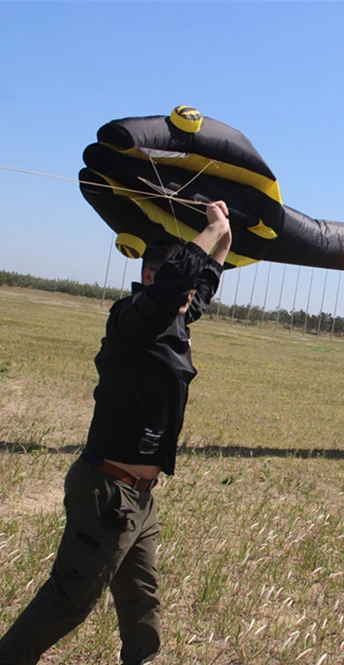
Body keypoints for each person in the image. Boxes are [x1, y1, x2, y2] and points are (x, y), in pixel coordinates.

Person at [0, 201, 233, 665]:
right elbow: (175, 287)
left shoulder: (176, 317)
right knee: (71, 599)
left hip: (139, 499)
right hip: (107, 493)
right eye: (176, 283)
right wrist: (204, 236)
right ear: (149, 278)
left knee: (141, 596)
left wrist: (223, 236)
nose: (189, 295)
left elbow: (198, 285)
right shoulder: (131, 319)